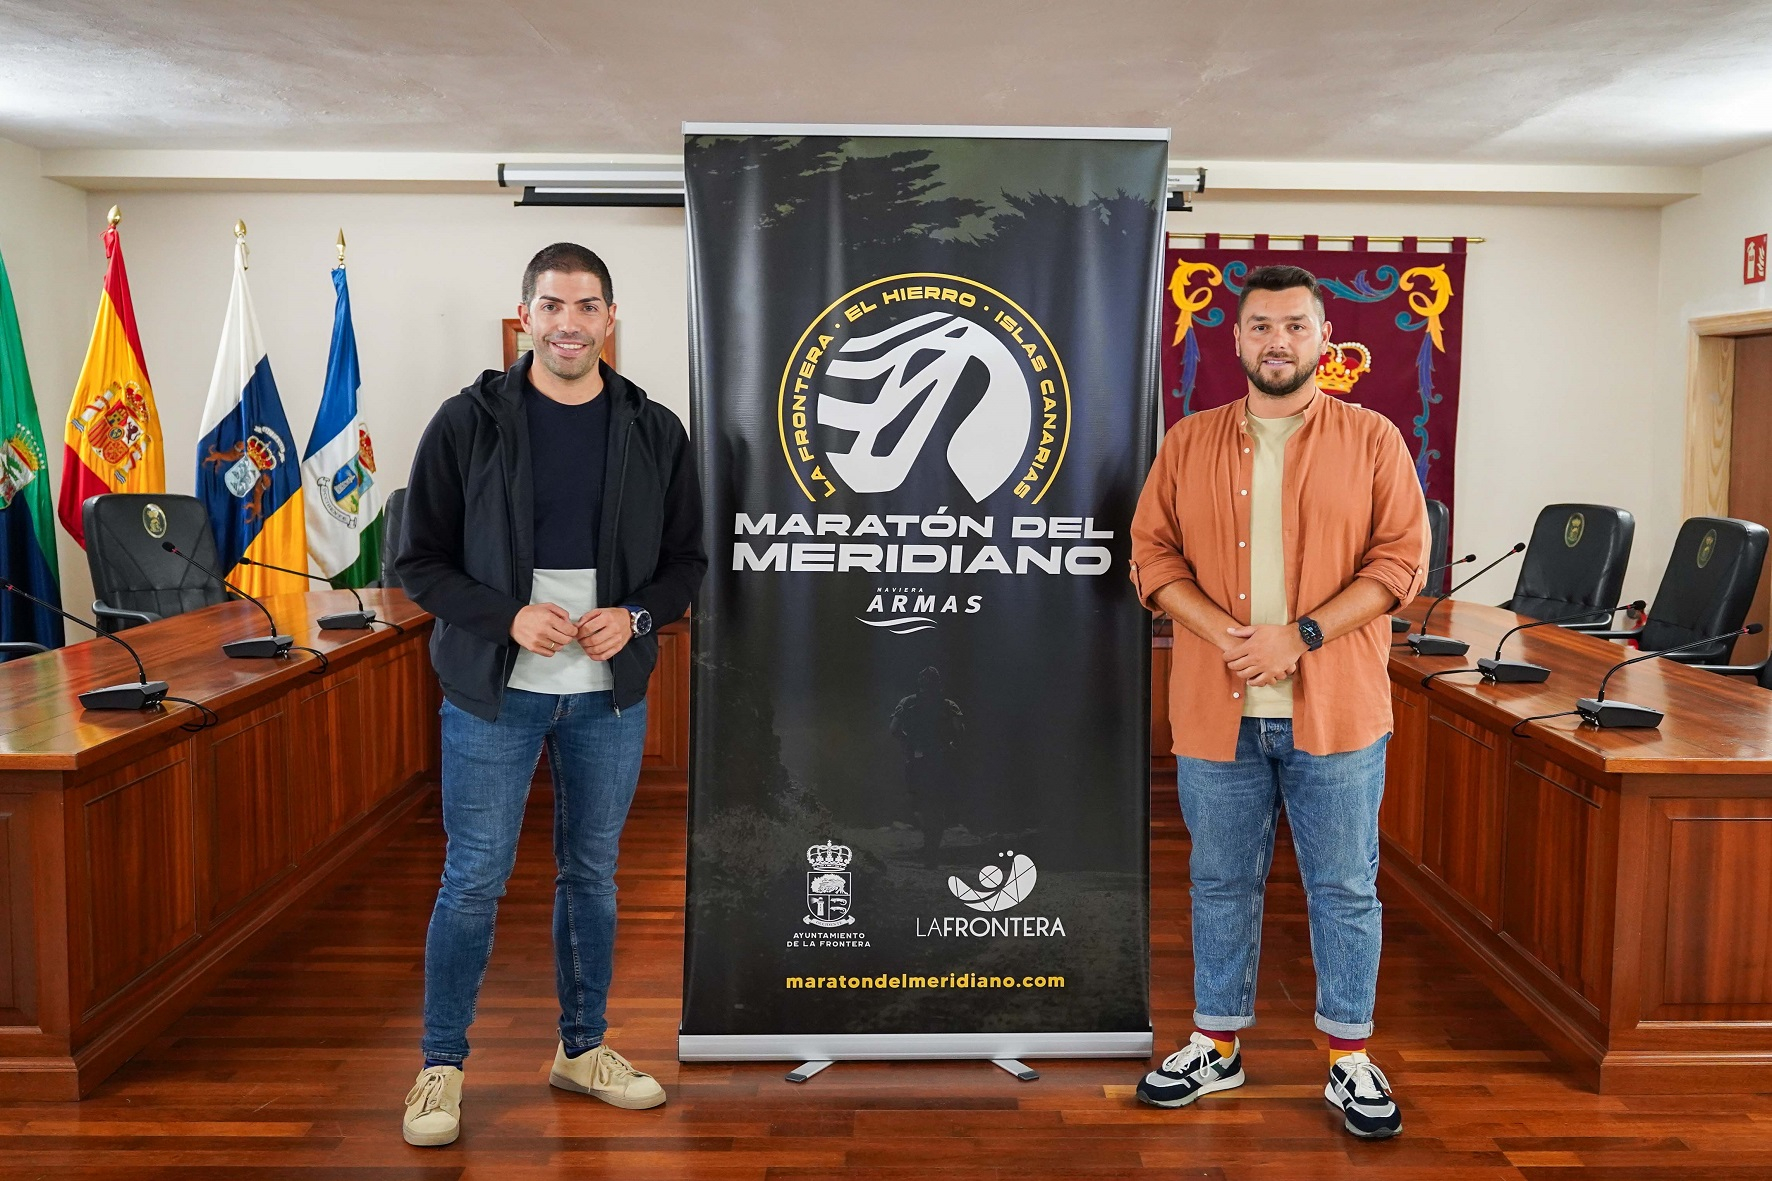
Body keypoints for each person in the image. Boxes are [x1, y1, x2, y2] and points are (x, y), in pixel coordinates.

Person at [395, 242, 707, 1147]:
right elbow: (419, 561)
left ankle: (583, 1048)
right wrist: (507, 617)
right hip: (494, 692)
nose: (569, 322)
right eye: (552, 305)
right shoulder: (467, 422)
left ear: (610, 318)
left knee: (592, 876)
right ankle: (440, 1065)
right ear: (525, 315)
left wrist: (636, 616)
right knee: (473, 878)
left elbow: (686, 561)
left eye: (586, 305)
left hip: (606, 694)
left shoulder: (654, 428)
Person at [1128, 264, 1427, 1139]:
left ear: (1325, 338)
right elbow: (1151, 557)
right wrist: (1226, 633)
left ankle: (1349, 1056)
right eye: (1261, 326)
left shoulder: (1373, 440)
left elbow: (1400, 564)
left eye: (1296, 325)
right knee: (1220, 882)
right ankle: (1216, 1044)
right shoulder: (1188, 441)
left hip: (1337, 712)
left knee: (1344, 886)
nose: (1278, 341)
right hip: (1215, 710)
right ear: (1237, 340)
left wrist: (1299, 635)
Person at [889, 666, 965, 864]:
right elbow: (959, 730)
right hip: (940, 759)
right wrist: (952, 746)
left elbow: (894, 729)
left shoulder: (908, 702)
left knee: (920, 803)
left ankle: (929, 843)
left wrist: (909, 742)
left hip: (917, 758)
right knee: (937, 805)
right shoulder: (948, 705)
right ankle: (932, 846)